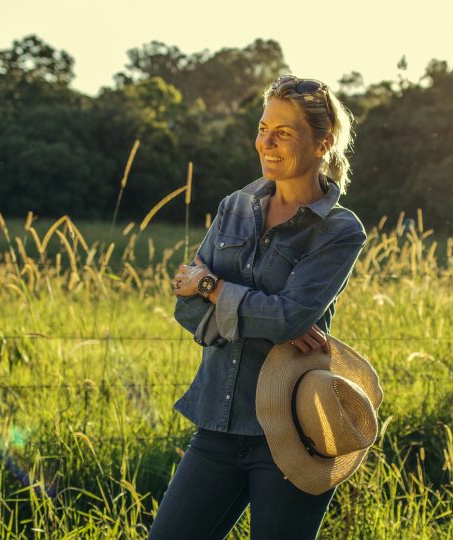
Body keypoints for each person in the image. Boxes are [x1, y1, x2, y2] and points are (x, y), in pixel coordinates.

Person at [148, 76, 367, 540]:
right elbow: (185, 313)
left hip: (294, 432)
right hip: (217, 426)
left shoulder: (339, 230)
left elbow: (291, 318)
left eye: (283, 132)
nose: (266, 142)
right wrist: (267, 318)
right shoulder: (234, 208)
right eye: (264, 127)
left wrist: (209, 285)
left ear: (323, 142)